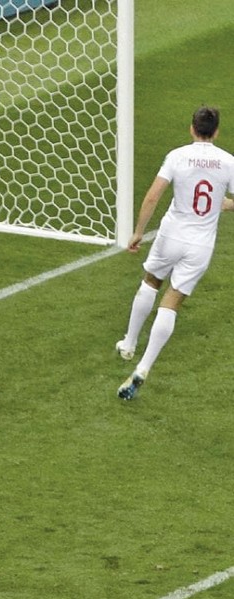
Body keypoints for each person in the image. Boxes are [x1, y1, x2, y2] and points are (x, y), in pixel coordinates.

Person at [116, 106, 234, 400]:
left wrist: (139, 231)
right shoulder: (228, 162)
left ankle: (129, 344)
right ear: (216, 131)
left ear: (192, 128)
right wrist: (225, 204)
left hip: (171, 234)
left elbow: (154, 195)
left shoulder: (177, 156)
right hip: (200, 244)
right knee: (172, 301)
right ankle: (143, 367)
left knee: (151, 281)